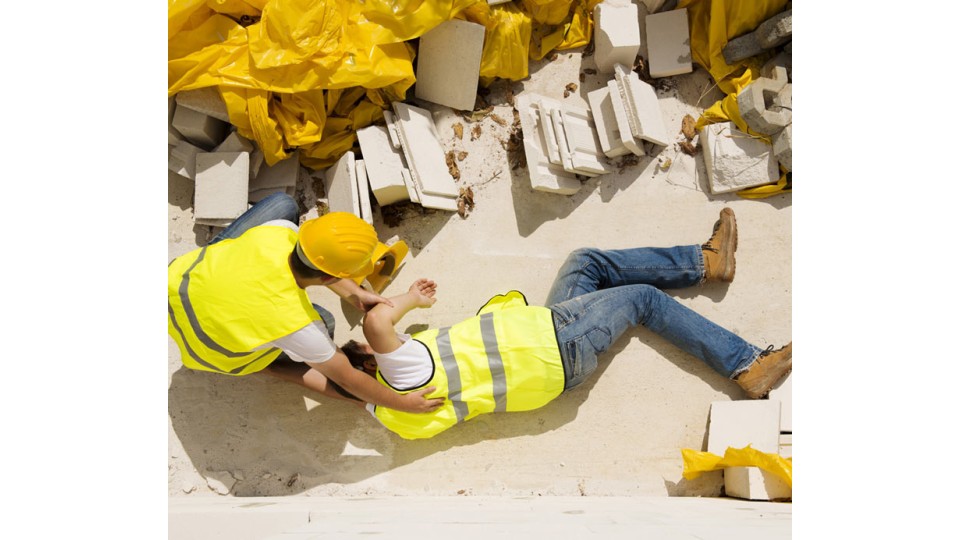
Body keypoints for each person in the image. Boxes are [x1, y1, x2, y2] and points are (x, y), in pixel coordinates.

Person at [337, 208, 792, 439]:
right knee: (642, 300)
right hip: (556, 343)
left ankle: (706, 262)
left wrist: (311, 369)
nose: (374, 343)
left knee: (585, 263)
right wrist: (410, 300)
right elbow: (378, 320)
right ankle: (747, 365)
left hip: (549, 355)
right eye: (364, 350)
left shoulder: (390, 415)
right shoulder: (406, 372)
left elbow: (334, 383)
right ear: (372, 366)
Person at [167, 192, 444, 414]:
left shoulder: (278, 232)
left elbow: (314, 260)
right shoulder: (299, 326)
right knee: (327, 323)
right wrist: (403, 404)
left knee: (282, 204)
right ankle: (264, 364)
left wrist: (354, 294)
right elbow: (347, 378)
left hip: (175, 287)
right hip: (211, 351)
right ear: (328, 276)